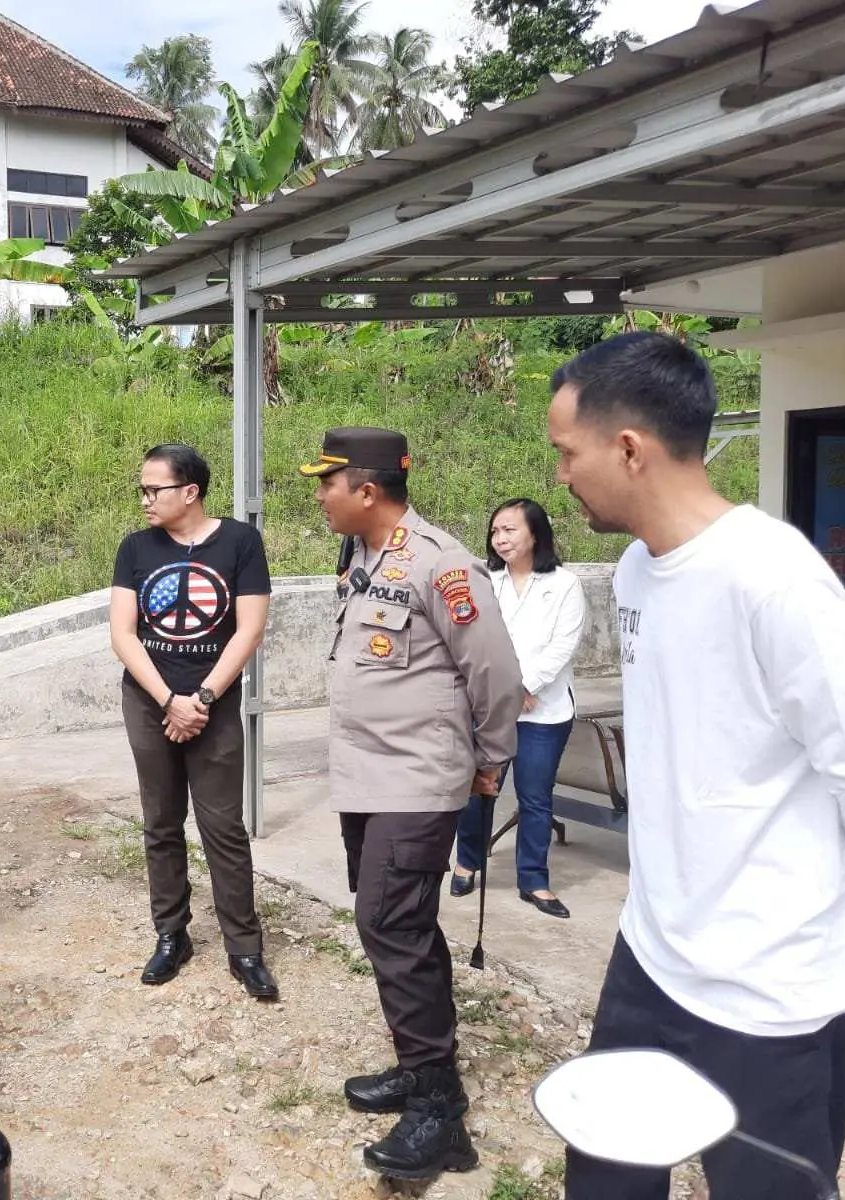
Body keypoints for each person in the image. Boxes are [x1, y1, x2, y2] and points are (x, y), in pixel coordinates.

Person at [548, 332, 845, 1200]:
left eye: (568, 453)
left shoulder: (775, 581)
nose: (561, 476)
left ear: (630, 449)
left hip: (769, 993)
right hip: (651, 957)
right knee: (605, 1182)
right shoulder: (639, 571)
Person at [304, 426, 522, 1180]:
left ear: (366, 490)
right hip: (366, 777)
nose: (320, 496)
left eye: (327, 483)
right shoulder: (361, 554)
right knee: (399, 923)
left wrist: (492, 759)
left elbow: (493, 669)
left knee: (387, 922)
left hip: (417, 779)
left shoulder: (442, 564)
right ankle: (419, 1065)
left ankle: (440, 1112)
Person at [109, 443, 278, 1000]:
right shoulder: (135, 548)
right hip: (149, 700)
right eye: (141, 488)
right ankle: (170, 934)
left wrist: (201, 697)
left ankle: (244, 948)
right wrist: (168, 701)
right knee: (160, 820)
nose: (144, 500)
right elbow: (123, 634)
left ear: (191, 491)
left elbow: (248, 630)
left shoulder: (240, 543)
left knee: (223, 827)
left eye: (153, 489)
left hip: (215, 702)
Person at [450, 499, 587, 918]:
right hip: (490, 704)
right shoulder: (486, 581)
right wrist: (504, 688)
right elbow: (474, 638)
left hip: (544, 710)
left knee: (535, 796)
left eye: (509, 530)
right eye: (495, 532)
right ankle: (467, 861)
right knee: (479, 789)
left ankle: (534, 880)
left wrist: (526, 685)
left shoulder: (564, 584)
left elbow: (564, 643)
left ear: (535, 534)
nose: (500, 538)